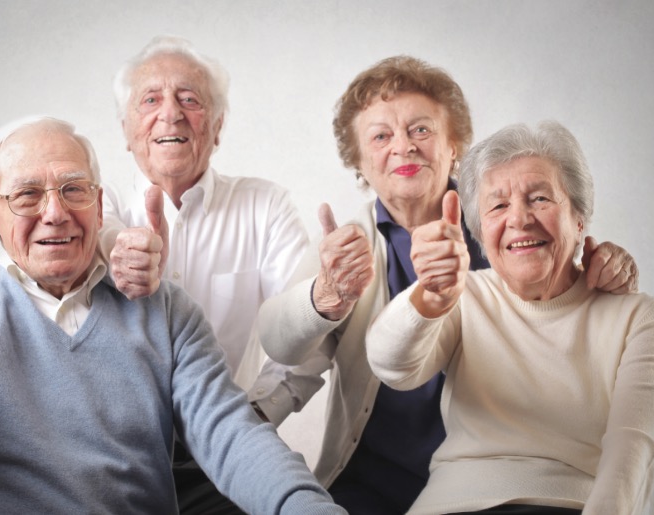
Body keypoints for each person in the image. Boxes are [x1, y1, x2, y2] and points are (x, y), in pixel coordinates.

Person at [0, 116, 347, 514]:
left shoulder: (167, 311)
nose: (55, 212)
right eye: (27, 195)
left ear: (99, 206)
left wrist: (308, 507)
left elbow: (232, 436)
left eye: (73, 189)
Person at [255, 56, 640, 513]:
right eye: (381, 136)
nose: (403, 147)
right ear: (358, 161)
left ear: (454, 145)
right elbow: (285, 353)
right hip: (378, 479)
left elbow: (569, 296)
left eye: (420, 130)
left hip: (492, 476)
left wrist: (611, 267)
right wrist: (325, 296)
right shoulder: (347, 250)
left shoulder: (503, 228)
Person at [366, 120, 654, 514]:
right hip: (450, 505)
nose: (519, 219)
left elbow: (633, 445)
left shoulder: (636, 316)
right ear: (481, 234)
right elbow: (392, 367)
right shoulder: (464, 295)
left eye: (540, 198)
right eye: (498, 206)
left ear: (579, 219)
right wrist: (430, 296)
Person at [100, 36, 326, 514]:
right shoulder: (98, 204)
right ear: (126, 129)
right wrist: (122, 250)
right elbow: (103, 236)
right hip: (114, 462)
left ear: (218, 126)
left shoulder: (265, 206)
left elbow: (307, 331)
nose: (171, 114)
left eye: (189, 99)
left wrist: (257, 413)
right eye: (150, 100)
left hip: (221, 460)